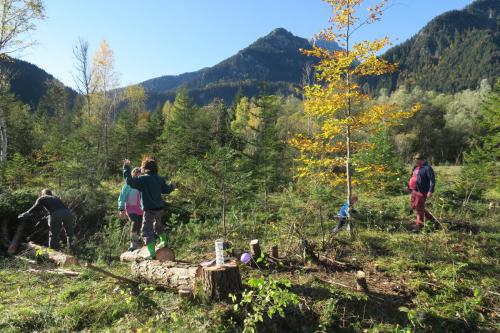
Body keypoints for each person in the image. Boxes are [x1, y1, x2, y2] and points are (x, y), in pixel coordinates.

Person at [123, 156, 174, 259]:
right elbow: (166, 190)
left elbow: (129, 181)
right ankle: (163, 241)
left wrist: (127, 167)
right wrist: (171, 186)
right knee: (158, 225)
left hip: (149, 210)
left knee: (146, 231)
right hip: (159, 208)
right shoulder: (159, 179)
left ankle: (152, 253)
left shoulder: (142, 179)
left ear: (144, 168)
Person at [406, 153, 436, 232]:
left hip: (422, 192)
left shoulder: (427, 168)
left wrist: (430, 191)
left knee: (419, 208)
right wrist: (408, 187)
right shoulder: (415, 167)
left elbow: (432, 181)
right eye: (415, 160)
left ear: (422, 160)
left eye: (417, 160)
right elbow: (412, 177)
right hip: (414, 190)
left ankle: (419, 226)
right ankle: (432, 219)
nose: (416, 161)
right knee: (416, 206)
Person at [118, 167, 144, 251]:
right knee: (134, 221)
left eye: (140, 173)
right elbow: (122, 196)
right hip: (130, 208)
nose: (139, 174)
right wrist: (121, 209)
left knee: (139, 225)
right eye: (137, 173)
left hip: (140, 209)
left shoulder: (142, 184)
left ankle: (138, 243)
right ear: (134, 174)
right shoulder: (128, 184)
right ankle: (133, 243)